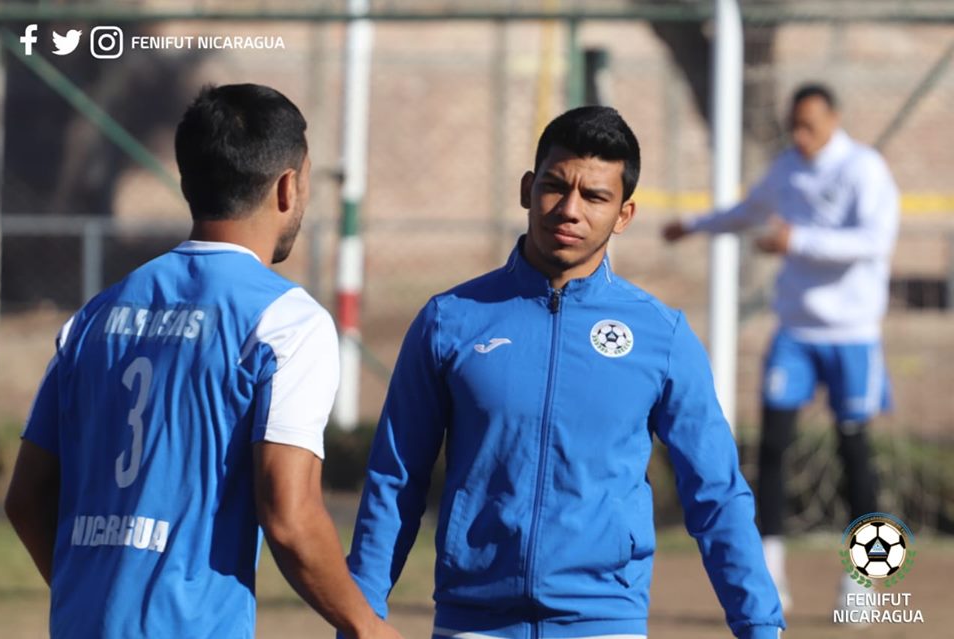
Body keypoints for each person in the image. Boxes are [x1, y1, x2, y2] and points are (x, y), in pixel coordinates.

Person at [342, 106, 784, 639]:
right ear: (528, 188)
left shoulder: (660, 336)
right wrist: (359, 618)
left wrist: (759, 624)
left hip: (605, 621)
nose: (569, 209)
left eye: (595, 196)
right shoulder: (450, 320)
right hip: (472, 622)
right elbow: (396, 481)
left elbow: (716, 492)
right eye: (555, 186)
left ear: (624, 214)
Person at [5, 83, 402, 639]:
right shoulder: (286, 322)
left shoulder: (95, 316)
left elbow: (26, 498)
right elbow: (289, 515)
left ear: (188, 180)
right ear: (289, 186)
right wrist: (366, 626)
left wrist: (89, 598)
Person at [662, 83, 899, 610]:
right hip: (795, 332)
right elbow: (748, 210)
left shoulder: (864, 169)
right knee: (771, 450)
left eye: (809, 125)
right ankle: (770, 574)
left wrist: (800, 242)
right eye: (794, 125)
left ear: (834, 119)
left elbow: (874, 242)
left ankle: (865, 582)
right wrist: (695, 225)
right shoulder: (787, 168)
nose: (800, 135)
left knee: (854, 454)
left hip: (853, 335)